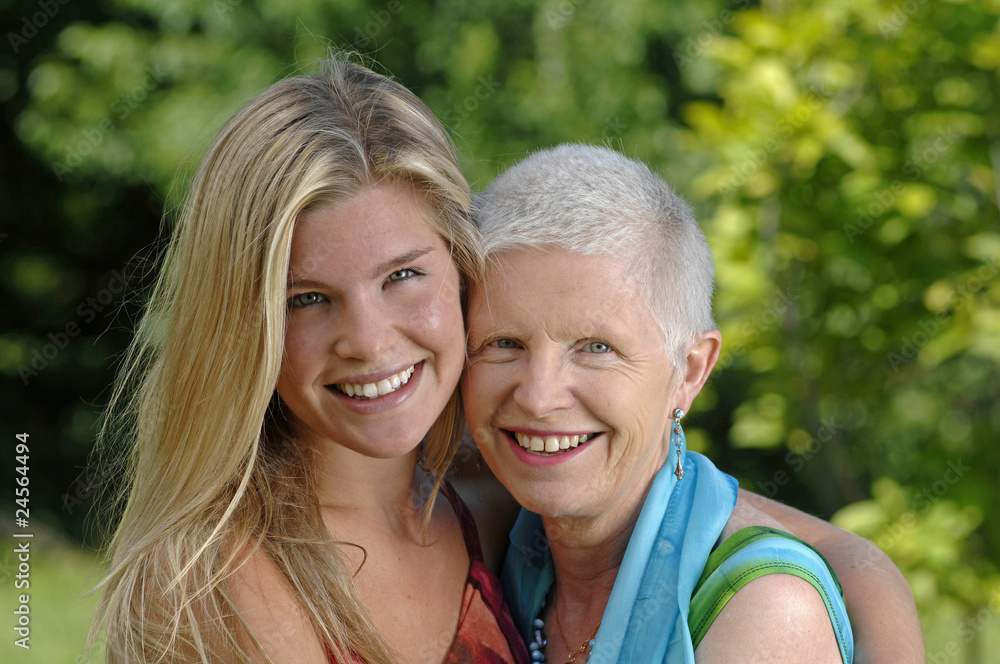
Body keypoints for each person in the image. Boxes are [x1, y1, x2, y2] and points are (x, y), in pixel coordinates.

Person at [89, 57, 920, 663]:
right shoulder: (214, 579)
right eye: (307, 297)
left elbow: (820, 553)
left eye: (403, 277)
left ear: (459, 275)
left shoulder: (485, 506)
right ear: (246, 324)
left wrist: (869, 585)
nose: (370, 341)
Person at [463, 143, 922, 663]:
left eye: (596, 348)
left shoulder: (764, 611)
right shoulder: (509, 540)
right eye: (504, 344)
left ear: (691, 371)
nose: (539, 398)